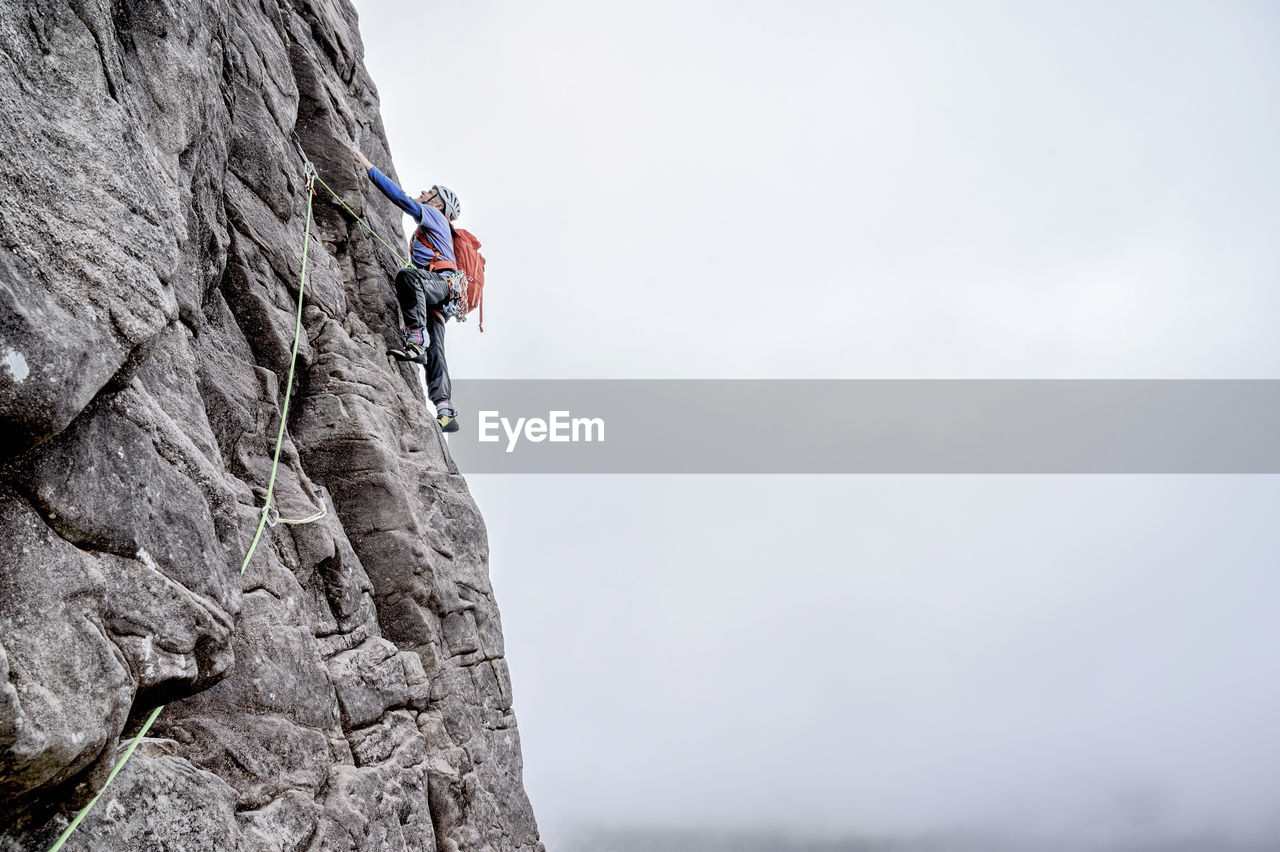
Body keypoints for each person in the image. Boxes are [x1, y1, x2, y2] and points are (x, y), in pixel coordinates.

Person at [349, 144, 463, 433]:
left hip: (439, 284)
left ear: (438, 205)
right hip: (443, 293)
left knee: (408, 278)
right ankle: (445, 409)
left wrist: (365, 163)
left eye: (429, 193)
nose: (423, 193)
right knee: (437, 349)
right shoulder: (440, 228)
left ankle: (415, 340)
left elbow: (400, 198)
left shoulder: (435, 216)